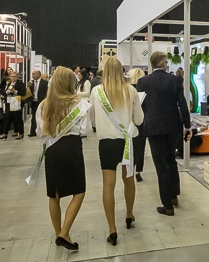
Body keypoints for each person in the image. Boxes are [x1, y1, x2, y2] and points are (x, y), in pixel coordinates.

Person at [36, 66, 91, 252]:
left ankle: (58, 233)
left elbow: (39, 131)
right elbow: (85, 130)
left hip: (52, 149)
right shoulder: (79, 104)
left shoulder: (43, 105)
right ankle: (64, 233)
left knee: (54, 195)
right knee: (79, 191)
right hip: (72, 148)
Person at [91, 57, 143, 246]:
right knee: (128, 179)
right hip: (127, 142)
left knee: (108, 184)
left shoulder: (96, 91)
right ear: (122, 71)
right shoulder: (131, 91)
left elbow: (92, 119)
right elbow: (139, 119)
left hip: (106, 143)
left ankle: (112, 229)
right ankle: (129, 214)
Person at [137, 51, 191, 216]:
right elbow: (182, 104)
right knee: (171, 160)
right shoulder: (175, 80)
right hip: (172, 126)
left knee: (160, 165)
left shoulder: (143, 82)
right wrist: (187, 125)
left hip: (153, 127)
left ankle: (167, 205)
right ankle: (174, 196)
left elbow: (140, 105)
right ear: (164, 63)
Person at [128, 68, 147, 182]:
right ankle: (138, 170)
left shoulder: (128, 89)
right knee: (140, 147)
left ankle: (129, 168)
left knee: (129, 146)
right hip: (141, 121)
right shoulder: (145, 90)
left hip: (128, 121)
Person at [1, 71, 26, 139]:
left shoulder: (20, 83)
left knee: (18, 118)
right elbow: (4, 91)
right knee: (7, 118)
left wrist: (15, 91)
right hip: (9, 102)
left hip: (17, 102)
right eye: (12, 76)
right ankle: (5, 133)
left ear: (17, 77)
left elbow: (23, 92)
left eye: (14, 76)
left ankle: (21, 133)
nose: (13, 78)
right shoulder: (9, 83)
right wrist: (7, 92)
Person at [28, 70, 49, 137]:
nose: (33, 75)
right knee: (33, 116)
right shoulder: (31, 83)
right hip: (34, 102)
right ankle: (32, 132)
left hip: (41, 101)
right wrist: (28, 86)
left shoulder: (45, 83)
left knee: (42, 116)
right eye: (32, 74)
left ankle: (44, 130)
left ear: (39, 75)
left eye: (34, 74)